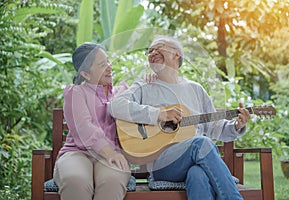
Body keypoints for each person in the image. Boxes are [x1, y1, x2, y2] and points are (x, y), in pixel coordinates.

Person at [109, 35, 251, 200]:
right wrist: (158, 114)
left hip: (194, 160)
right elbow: (116, 105)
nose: (153, 52)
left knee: (198, 175)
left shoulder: (195, 89)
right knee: (201, 143)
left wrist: (236, 126)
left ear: (177, 54)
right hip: (163, 164)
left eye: (158, 47)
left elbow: (214, 128)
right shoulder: (144, 86)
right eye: (150, 51)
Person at [53, 43, 132, 200]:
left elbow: (144, 109)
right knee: (75, 180)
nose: (109, 67)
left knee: (111, 181)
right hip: (77, 153)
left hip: (112, 156)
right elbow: (84, 128)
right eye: (103, 65)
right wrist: (109, 152)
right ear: (86, 74)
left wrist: (151, 81)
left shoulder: (122, 93)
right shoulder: (76, 93)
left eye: (108, 61)